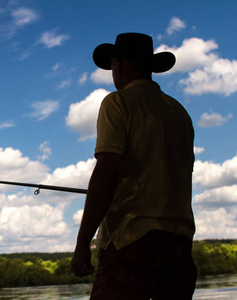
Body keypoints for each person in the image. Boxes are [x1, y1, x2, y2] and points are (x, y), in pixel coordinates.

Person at [71, 33, 197, 299]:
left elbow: (107, 171)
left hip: (130, 242)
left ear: (118, 65)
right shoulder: (179, 112)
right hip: (179, 244)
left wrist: (83, 243)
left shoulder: (116, 103)